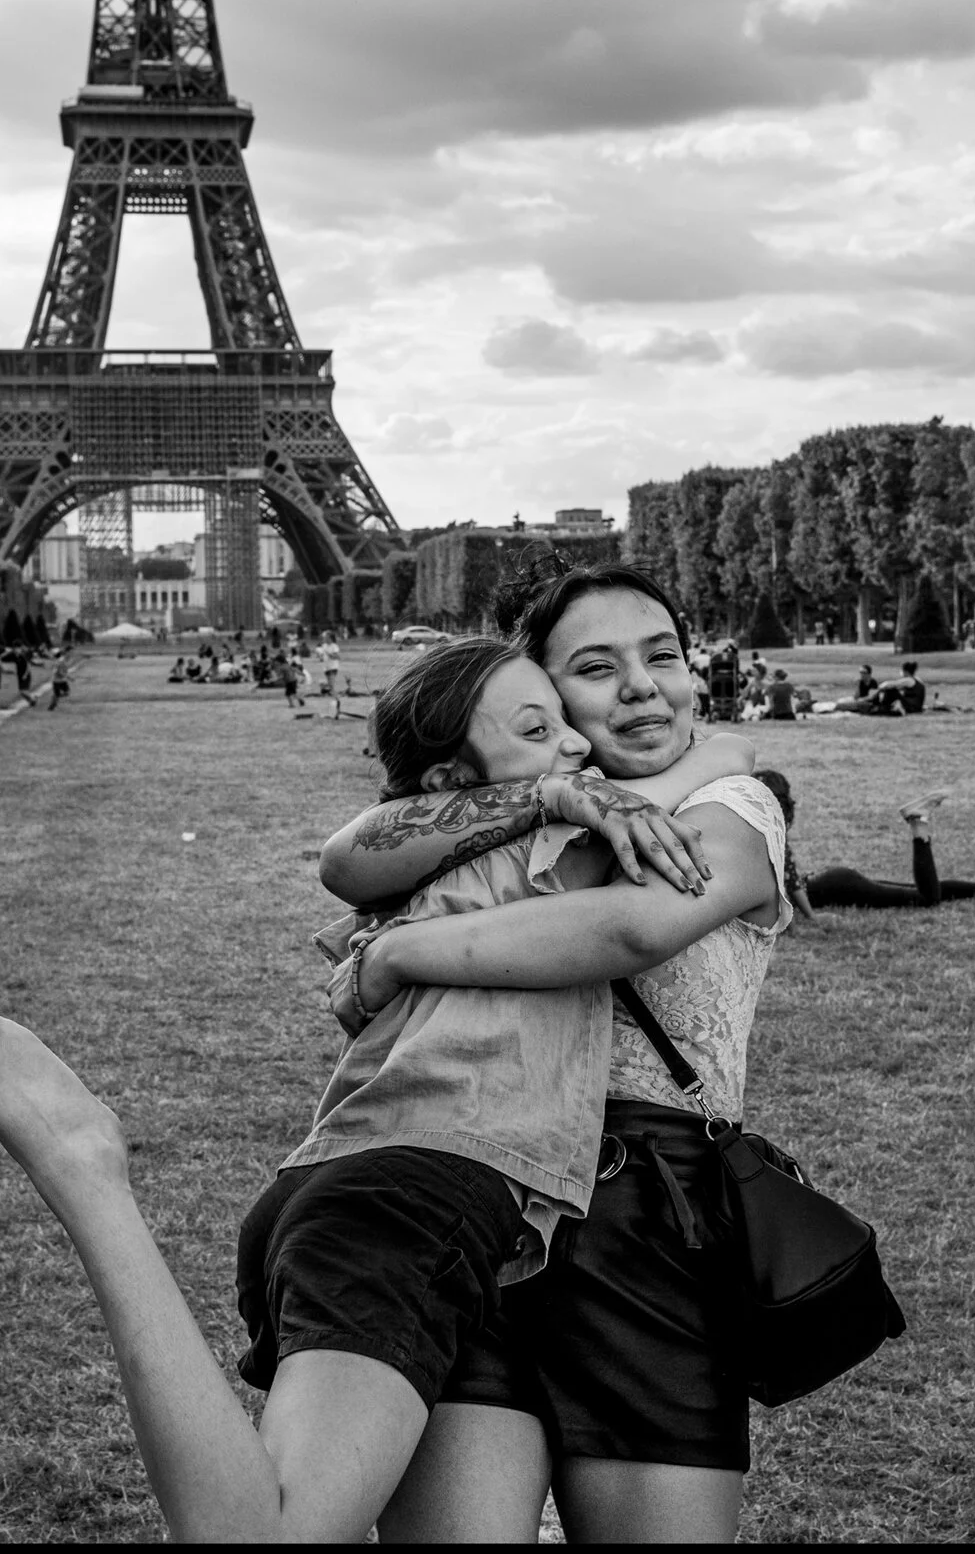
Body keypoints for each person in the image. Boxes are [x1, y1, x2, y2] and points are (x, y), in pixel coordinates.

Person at [0, 633, 751, 1542]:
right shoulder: (552, 835)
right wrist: (705, 758)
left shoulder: (427, 871)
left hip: (350, 1190)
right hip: (420, 1191)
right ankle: (85, 1174)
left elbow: (352, 856)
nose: (577, 749)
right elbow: (684, 798)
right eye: (540, 728)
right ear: (452, 783)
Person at [318, 562, 802, 1542]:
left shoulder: (736, 805)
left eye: (661, 654)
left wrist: (399, 950)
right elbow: (345, 857)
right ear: (541, 697)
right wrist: (549, 797)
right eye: (596, 665)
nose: (640, 684)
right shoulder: (504, 809)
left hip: (644, 1219)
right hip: (466, 1191)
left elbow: (630, 928)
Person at [766, 780, 975, 916]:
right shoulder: (769, 834)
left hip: (833, 886)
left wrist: (811, 918)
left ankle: (919, 825)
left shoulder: (767, 837)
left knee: (924, 900)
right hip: (830, 880)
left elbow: (791, 884)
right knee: (921, 893)